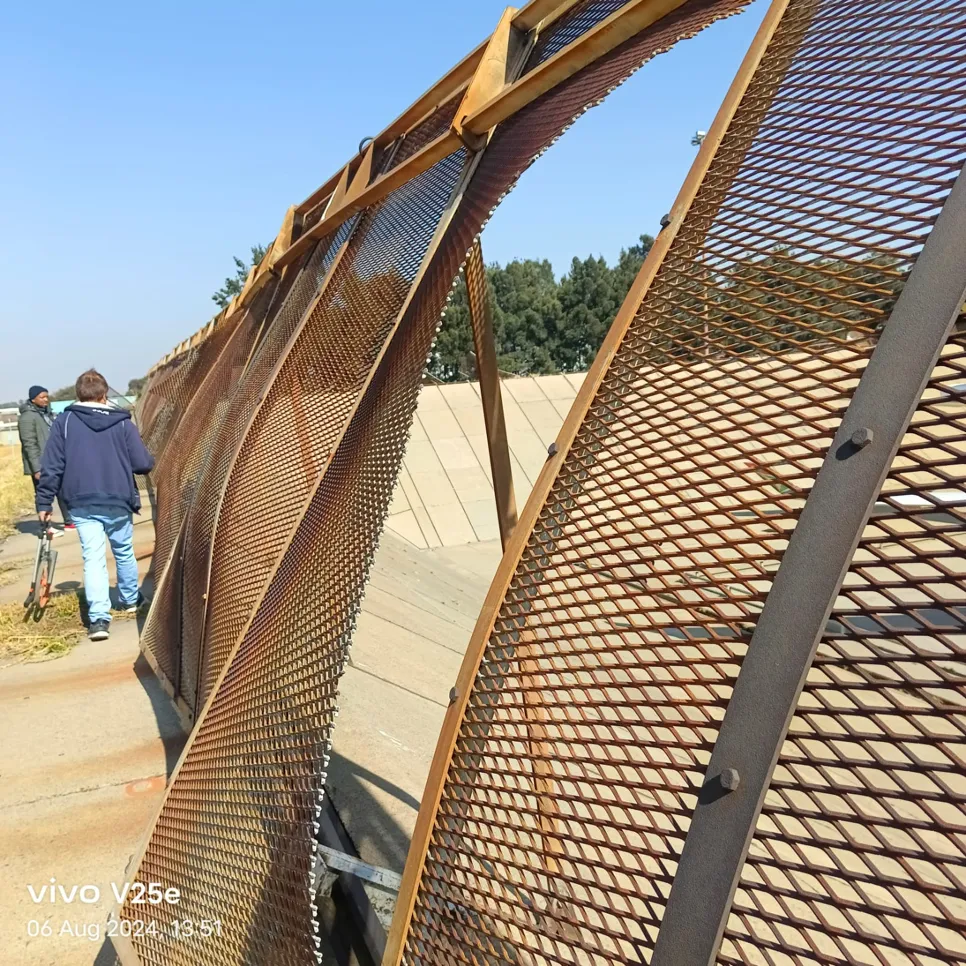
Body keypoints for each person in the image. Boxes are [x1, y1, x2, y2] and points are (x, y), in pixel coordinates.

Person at [35, 369, 154, 641]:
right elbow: (142, 464)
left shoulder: (64, 422)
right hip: (118, 497)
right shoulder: (122, 423)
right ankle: (129, 599)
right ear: (103, 395)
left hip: (81, 500)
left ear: (78, 395)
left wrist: (44, 501)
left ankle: (99, 619)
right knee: (123, 551)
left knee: (93, 558)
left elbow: (52, 466)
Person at [18, 385, 74, 531]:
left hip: (54, 459)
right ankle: (46, 526)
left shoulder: (47, 414)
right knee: (42, 494)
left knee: (62, 490)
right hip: (40, 463)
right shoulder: (27, 417)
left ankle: (69, 521)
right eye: (42, 397)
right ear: (33, 399)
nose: (46, 400)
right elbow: (29, 444)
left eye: (46, 397)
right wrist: (36, 468)